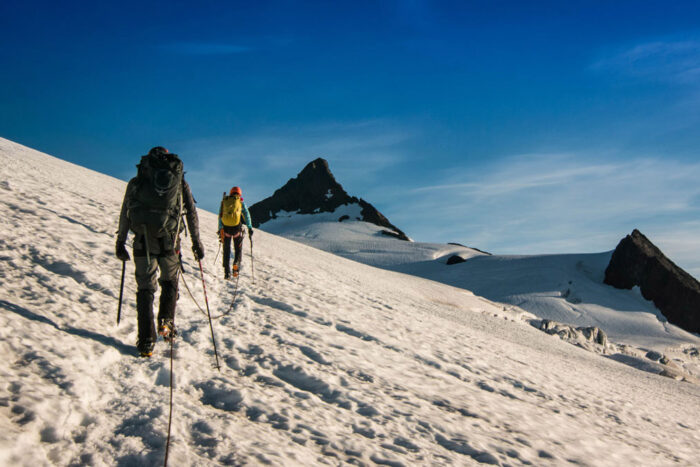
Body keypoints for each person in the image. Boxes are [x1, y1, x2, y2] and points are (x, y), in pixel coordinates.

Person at [115, 146, 204, 357]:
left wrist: (120, 242)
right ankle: (166, 322)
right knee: (169, 281)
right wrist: (196, 242)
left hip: (143, 242)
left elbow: (125, 213)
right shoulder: (179, 182)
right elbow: (191, 212)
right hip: (170, 242)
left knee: (145, 288)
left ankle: (146, 341)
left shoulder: (137, 182)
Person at [218, 186, 253, 279]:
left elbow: (220, 216)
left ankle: (226, 272)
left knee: (226, 250)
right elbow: (247, 215)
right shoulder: (240, 202)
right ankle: (236, 266)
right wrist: (249, 227)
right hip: (236, 229)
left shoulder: (225, 202)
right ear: (239, 194)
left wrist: (220, 229)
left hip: (226, 230)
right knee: (238, 249)